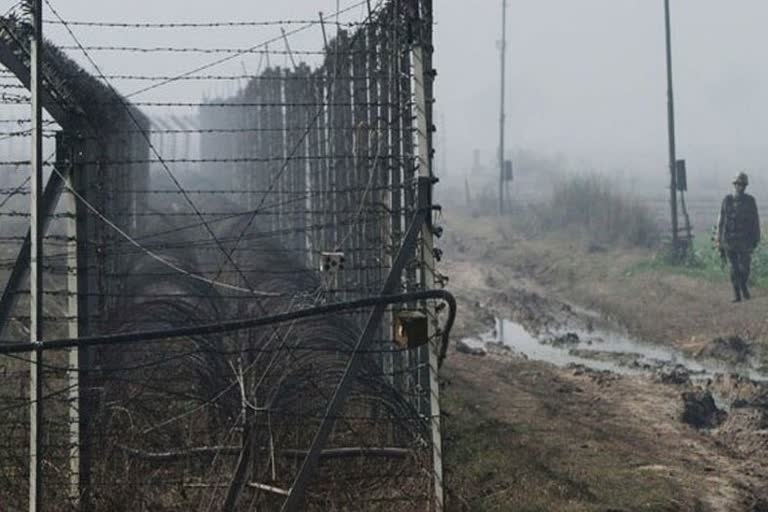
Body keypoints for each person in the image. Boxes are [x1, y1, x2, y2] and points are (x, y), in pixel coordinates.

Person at [717, 172, 761, 302]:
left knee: (745, 268)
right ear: (735, 185)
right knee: (733, 268)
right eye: (738, 184)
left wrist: (756, 238)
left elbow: (755, 221)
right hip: (730, 240)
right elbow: (721, 221)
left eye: (743, 184)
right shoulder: (727, 200)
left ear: (745, 186)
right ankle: (737, 294)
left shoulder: (750, 201)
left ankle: (743, 285)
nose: (740, 187)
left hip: (745, 241)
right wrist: (719, 239)